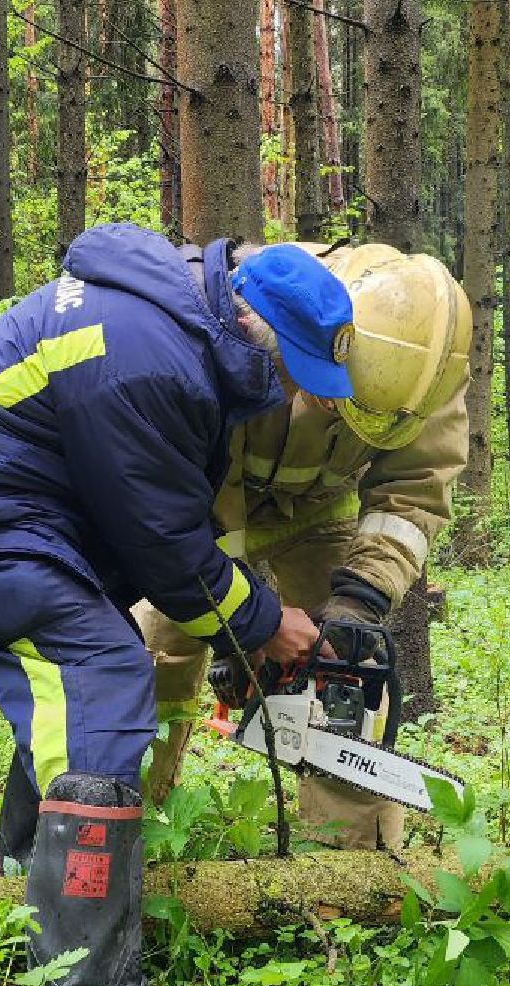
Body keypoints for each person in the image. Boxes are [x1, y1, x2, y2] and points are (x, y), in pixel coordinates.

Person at [0, 223, 353, 986]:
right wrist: (264, 622)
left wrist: (236, 623)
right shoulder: (146, 356)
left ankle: (25, 904)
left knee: (86, 669)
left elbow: (156, 520)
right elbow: (163, 548)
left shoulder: (163, 325)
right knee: (103, 673)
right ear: (251, 326)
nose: (281, 395)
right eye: (284, 373)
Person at [139, 243, 471, 852]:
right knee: (160, 651)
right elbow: (196, 493)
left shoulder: (429, 365)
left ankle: (352, 866)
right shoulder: (260, 312)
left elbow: (414, 491)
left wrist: (361, 599)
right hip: (208, 511)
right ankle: (125, 820)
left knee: (349, 672)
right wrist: (236, 626)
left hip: (320, 507)